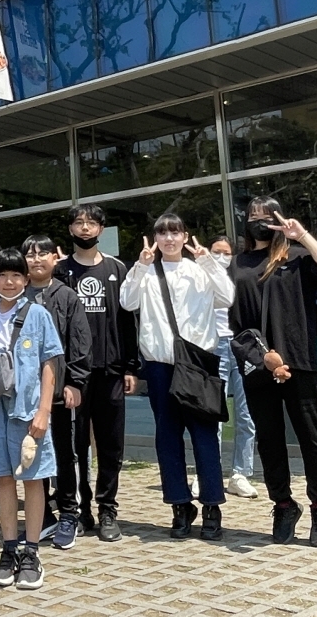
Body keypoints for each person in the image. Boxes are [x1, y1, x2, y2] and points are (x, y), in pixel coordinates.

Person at [227, 197, 317, 548]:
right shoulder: (236, 265)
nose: (259, 221)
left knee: (313, 440)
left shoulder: (296, 257)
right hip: (258, 365)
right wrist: (261, 357)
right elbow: (233, 322)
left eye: (266, 216)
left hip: (299, 361)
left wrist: (301, 235)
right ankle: (283, 505)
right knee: (269, 441)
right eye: (252, 216)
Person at [120, 215, 234, 541]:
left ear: (185, 236)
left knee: (204, 435)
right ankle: (180, 505)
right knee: (168, 437)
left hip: (198, 363)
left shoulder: (199, 269)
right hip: (160, 365)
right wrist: (140, 266)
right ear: (155, 238)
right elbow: (127, 301)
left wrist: (209, 262)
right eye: (162, 233)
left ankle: (212, 505)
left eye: (175, 232)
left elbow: (227, 297)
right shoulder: (146, 271)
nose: (169, 238)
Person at [0, 248, 62, 591]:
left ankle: (32, 552)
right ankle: (9, 549)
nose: (9, 282)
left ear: (26, 280)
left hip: (28, 409)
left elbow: (50, 364)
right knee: (3, 478)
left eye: (15, 275)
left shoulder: (38, 314)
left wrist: (44, 411)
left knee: (34, 478)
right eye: (2, 275)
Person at [54, 204, 139, 541]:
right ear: (71, 229)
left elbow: (128, 320)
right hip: (73, 375)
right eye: (79, 222)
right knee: (74, 446)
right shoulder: (61, 271)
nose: (85, 228)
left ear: (102, 229)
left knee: (110, 444)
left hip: (111, 370)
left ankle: (107, 509)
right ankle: (78, 510)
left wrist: (130, 366)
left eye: (91, 223)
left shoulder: (118, 268)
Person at [21, 235, 90, 550]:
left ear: (54, 259)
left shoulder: (66, 296)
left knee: (64, 452)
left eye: (42, 253)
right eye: (30, 254)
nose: (36, 259)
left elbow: (79, 339)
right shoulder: (17, 295)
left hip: (61, 391)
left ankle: (69, 513)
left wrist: (75, 381)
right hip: (26, 393)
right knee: (31, 453)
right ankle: (43, 515)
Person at [209, 235, 258, 499]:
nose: (221, 257)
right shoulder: (201, 276)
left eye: (226, 253)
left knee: (246, 412)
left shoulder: (241, 276)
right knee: (213, 412)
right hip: (213, 345)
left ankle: (241, 473)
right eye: (216, 251)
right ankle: (211, 471)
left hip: (241, 345)